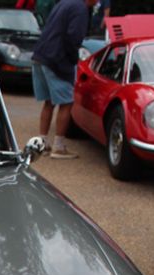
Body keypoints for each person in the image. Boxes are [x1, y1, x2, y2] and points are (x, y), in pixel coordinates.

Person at [31, 0, 95, 158]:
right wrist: (74, 60)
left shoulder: (64, 3)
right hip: (56, 58)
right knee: (67, 103)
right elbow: (73, 37)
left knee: (49, 101)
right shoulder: (80, 9)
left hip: (40, 55)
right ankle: (59, 147)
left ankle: (43, 143)